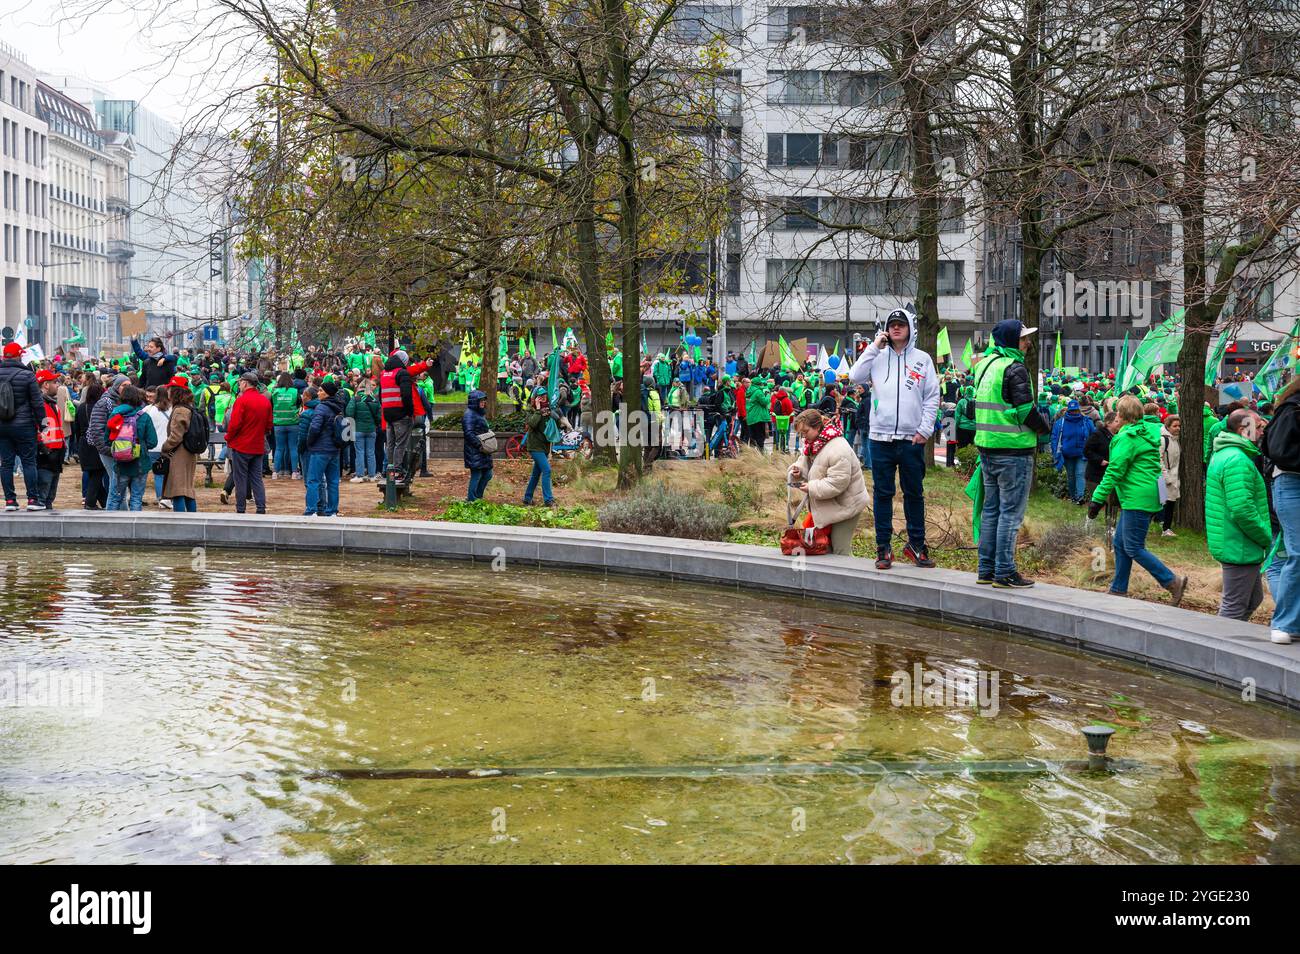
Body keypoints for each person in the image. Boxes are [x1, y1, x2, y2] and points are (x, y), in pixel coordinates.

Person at [849, 307, 940, 569]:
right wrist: (873, 347)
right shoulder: (876, 356)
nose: (896, 328)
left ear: (911, 328)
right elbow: (855, 376)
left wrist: (925, 429)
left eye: (901, 324)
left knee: (914, 493)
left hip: (911, 439)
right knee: (883, 494)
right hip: (879, 438)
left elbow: (932, 396)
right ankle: (883, 547)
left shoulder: (923, 359)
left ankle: (916, 545)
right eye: (892, 324)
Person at [1088, 395, 1188, 605]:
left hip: (1137, 497)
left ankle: (1172, 582)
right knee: (1121, 543)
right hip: (1146, 493)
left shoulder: (1127, 438)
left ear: (1121, 415)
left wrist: (1097, 499)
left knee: (1133, 546)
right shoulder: (1147, 432)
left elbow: (1114, 470)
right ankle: (1118, 588)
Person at [973, 319, 1052, 587]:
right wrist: (1045, 430)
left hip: (987, 448)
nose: (1028, 343)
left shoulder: (984, 365)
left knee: (991, 511)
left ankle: (986, 570)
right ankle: (1004, 571)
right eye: (1023, 339)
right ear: (1010, 341)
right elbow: (1025, 411)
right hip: (1013, 451)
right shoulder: (1015, 368)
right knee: (1010, 514)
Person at [1206, 410, 1272, 621]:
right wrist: (1265, 536)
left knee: (1252, 600)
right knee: (1233, 608)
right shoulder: (1237, 460)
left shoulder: (1228, 454)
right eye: (1258, 427)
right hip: (1239, 543)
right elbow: (1242, 509)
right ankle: (1218, 649)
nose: (1262, 431)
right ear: (1243, 430)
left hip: (1237, 540)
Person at [787, 409, 869, 555]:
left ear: (817, 427)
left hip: (847, 506)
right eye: (801, 433)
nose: (803, 437)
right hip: (830, 505)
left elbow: (837, 483)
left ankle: (847, 577)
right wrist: (799, 470)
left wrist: (811, 487)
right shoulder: (815, 442)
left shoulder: (838, 449)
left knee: (840, 549)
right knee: (825, 547)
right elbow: (807, 461)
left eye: (805, 432)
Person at [1262, 377, 1300, 644]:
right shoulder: (1292, 410)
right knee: (1297, 552)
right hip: (1291, 483)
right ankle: (1284, 622)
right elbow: (1278, 451)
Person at [0, 341, 44, 510]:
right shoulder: (27, 375)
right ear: (19, 356)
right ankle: (33, 500)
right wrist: (43, 424)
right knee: (28, 462)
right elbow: (37, 402)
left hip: (2, 425)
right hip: (24, 425)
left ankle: (10, 501)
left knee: (6, 464)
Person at [225, 372, 273, 514]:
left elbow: (235, 424)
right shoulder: (264, 400)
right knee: (256, 478)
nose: (239, 385)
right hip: (257, 445)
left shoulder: (241, 400)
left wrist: (229, 437)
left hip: (241, 445)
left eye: (240, 382)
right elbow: (269, 425)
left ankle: (241, 508)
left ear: (245, 383)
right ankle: (261, 507)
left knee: (240, 479)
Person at [105, 385, 158, 512]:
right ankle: (135, 528)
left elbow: (107, 440)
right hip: (140, 463)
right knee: (136, 498)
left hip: (120, 465)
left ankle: (109, 527)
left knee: (115, 498)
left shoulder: (114, 415)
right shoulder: (144, 416)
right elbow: (152, 442)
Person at [304, 378, 347, 516]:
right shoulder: (338, 408)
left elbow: (315, 428)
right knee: (333, 482)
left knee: (313, 480)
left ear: (327, 393)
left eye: (321, 390)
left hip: (320, 449)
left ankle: (311, 510)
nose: (318, 393)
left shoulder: (321, 407)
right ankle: (332, 511)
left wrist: (309, 442)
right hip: (334, 448)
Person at [161, 384, 200, 512]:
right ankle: (193, 521)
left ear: (175, 392)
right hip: (188, 452)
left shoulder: (179, 410)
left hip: (179, 453)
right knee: (187, 490)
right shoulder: (188, 407)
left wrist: (165, 447)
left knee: (178, 490)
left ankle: (181, 523)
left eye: (169, 389)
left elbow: (176, 436)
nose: (167, 391)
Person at [1050, 399, 1094, 504]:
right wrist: (1055, 452)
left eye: (1075, 410)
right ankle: (1073, 496)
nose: (1074, 412)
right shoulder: (1060, 423)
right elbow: (1054, 438)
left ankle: (1079, 497)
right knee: (1071, 475)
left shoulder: (1086, 421)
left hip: (1082, 454)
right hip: (1067, 454)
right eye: (1072, 410)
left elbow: (1093, 435)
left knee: (1080, 473)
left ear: (1079, 410)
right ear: (1068, 410)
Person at [523, 388, 560, 507]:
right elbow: (532, 424)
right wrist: (538, 410)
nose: (543, 397)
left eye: (544, 395)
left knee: (536, 474)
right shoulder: (530, 410)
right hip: (535, 446)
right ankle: (548, 500)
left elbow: (555, 427)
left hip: (544, 446)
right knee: (547, 470)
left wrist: (555, 417)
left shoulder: (549, 409)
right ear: (535, 398)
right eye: (540, 396)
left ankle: (527, 498)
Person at [34, 369, 65, 510]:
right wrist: (42, 447)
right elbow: (36, 428)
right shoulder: (39, 404)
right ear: (45, 385)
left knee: (49, 497)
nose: (57, 385)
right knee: (42, 496)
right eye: (54, 382)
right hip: (45, 454)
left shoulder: (52, 403)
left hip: (56, 454)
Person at [142, 385, 172, 509]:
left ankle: (146, 497)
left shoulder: (148, 410)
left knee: (149, 474)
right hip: (167, 446)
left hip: (152, 447)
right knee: (166, 474)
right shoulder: (171, 410)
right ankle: (165, 498)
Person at [346, 378, 382, 482]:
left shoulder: (355, 398)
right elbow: (379, 416)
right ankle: (372, 475)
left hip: (358, 429)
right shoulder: (375, 399)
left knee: (359, 453)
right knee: (371, 452)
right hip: (371, 430)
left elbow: (349, 412)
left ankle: (360, 475)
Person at [462, 388, 494, 502]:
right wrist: (479, 445)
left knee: (488, 474)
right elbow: (468, 433)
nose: (483, 403)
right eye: (481, 401)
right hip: (475, 450)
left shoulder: (479, 413)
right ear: (474, 401)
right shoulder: (469, 415)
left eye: (484, 400)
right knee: (477, 474)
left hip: (483, 450)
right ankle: (471, 499)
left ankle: (478, 496)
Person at [270, 372, 302, 480]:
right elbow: (299, 404)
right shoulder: (294, 391)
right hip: (293, 422)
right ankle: (294, 472)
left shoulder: (274, 392)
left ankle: (275, 472)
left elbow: (271, 405)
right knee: (293, 448)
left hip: (278, 423)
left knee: (279, 448)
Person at [1159, 414, 1181, 536]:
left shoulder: (1175, 439)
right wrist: (1166, 477)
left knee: (1170, 503)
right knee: (1164, 503)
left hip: (1173, 476)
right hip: (1165, 476)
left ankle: (1166, 527)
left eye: (1179, 426)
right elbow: (1159, 459)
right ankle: (1165, 528)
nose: (1177, 428)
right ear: (1167, 426)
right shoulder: (1164, 440)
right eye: (1174, 426)